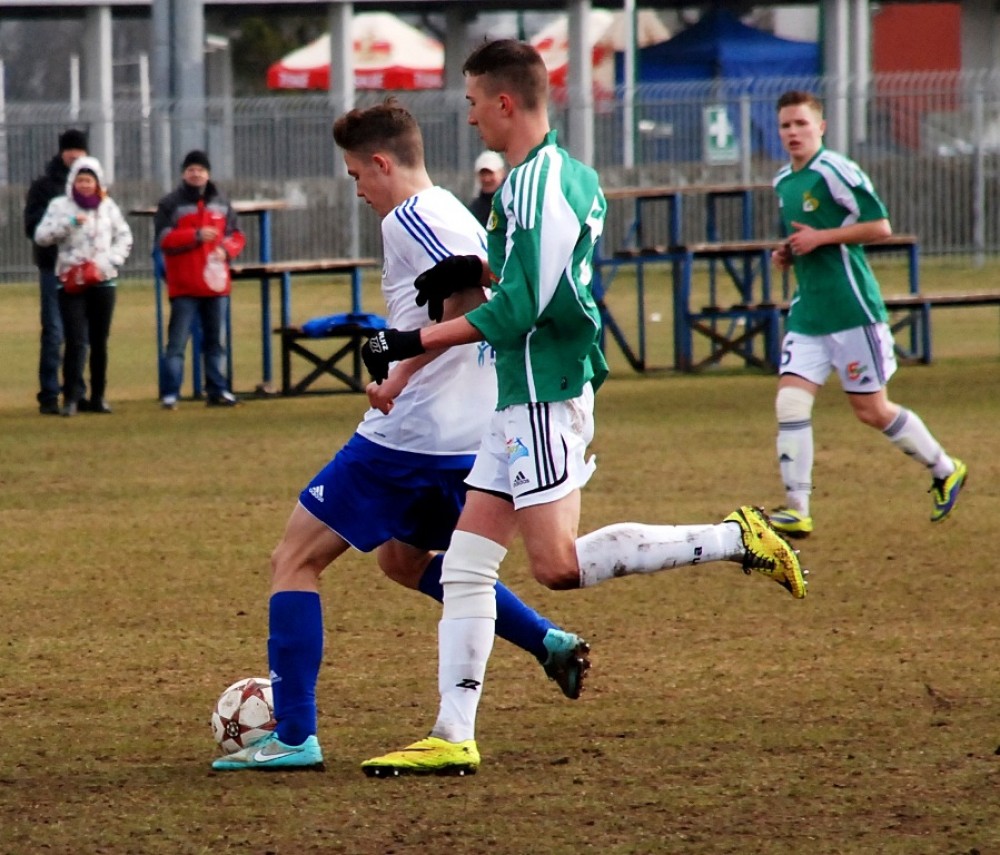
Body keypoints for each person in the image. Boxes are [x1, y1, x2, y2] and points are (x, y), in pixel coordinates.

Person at [357, 40, 807, 779]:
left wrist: (410, 338)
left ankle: (735, 537)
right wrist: (472, 278)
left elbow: (519, 310)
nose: (468, 118)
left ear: (505, 102)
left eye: (472, 103)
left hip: (543, 390)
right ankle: (451, 732)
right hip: (522, 392)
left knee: (557, 566)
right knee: (466, 565)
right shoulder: (563, 175)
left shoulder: (532, 185)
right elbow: (532, 283)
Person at [212, 98, 591, 773]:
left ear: (382, 163)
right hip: (470, 436)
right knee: (404, 561)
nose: (357, 189)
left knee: (293, 559)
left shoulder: (408, 217)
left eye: (357, 174)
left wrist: (399, 371)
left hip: (411, 438)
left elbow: (472, 294)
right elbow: (478, 285)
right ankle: (547, 641)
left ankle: (294, 734)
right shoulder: (454, 208)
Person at [764, 90, 966, 539]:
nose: (793, 132)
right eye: (785, 125)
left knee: (872, 410)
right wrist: (789, 252)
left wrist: (821, 239)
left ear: (821, 127)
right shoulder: (783, 181)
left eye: (801, 124)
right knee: (790, 402)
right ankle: (797, 510)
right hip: (810, 311)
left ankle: (945, 468)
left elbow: (880, 226)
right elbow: (806, 236)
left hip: (852, 309)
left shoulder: (836, 170)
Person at [33, 156, 133, 417]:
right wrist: (68, 225)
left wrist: (108, 262)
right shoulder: (59, 206)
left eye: (89, 180)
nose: (85, 185)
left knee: (99, 340)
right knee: (76, 340)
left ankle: (98, 396)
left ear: (97, 182)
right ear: (73, 182)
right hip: (71, 280)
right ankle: (72, 397)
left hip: (102, 280)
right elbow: (41, 236)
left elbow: (124, 237)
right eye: (80, 180)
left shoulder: (108, 206)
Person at [154, 150, 246, 409]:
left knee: (216, 342)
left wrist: (226, 250)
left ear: (208, 173)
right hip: (184, 285)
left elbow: (237, 235)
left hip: (215, 286)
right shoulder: (170, 204)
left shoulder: (222, 202)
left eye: (200, 170)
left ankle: (217, 390)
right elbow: (164, 239)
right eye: (191, 170)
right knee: (177, 343)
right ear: (183, 173)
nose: (196, 174)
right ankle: (171, 393)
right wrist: (195, 235)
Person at [23, 128, 89, 415]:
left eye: (79, 150)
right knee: (54, 330)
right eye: (70, 149)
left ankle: (76, 391)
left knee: (80, 333)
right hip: (53, 266)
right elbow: (32, 226)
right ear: (62, 152)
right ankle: (49, 393)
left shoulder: (91, 185)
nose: (74, 155)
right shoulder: (44, 186)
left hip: (83, 269)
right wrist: (63, 227)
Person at [466, 150, 506, 227]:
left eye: (490, 173)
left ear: (501, 173)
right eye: (483, 174)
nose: (487, 179)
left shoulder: (510, 202)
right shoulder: (475, 209)